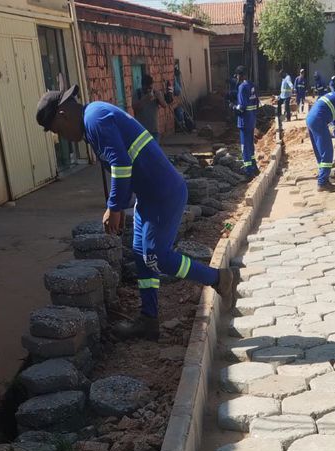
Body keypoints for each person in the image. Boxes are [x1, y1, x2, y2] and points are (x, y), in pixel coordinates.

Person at [35, 85, 234, 341]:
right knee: (141, 255)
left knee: (158, 257)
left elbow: (120, 163)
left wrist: (114, 206)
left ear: (62, 114)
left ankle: (218, 278)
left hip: (162, 194)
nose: (62, 137)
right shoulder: (93, 119)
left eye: (57, 130)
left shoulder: (94, 119)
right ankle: (148, 319)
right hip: (149, 195)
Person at [232, 65, 259, 178]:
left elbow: (241, 107)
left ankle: (248, 171)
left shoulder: (242, 87)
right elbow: (256, 103)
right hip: (252, 120)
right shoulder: (252, 85)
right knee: (250, 144)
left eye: (237, 75)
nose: (236, 77)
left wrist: (233, 107)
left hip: (244, 120)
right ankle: (254, 167)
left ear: (241, 75)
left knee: (244, 146)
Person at [132, 74, 167, 143]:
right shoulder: (138, 93)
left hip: (154, 130)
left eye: (150, 88)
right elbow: (134, 107)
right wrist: (146, 98)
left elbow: (164, 105)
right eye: (147, 88)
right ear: (143, 86)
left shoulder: (155, 93)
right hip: (141, 130)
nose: (148, 90)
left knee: (155, 152)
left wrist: (159, 97)